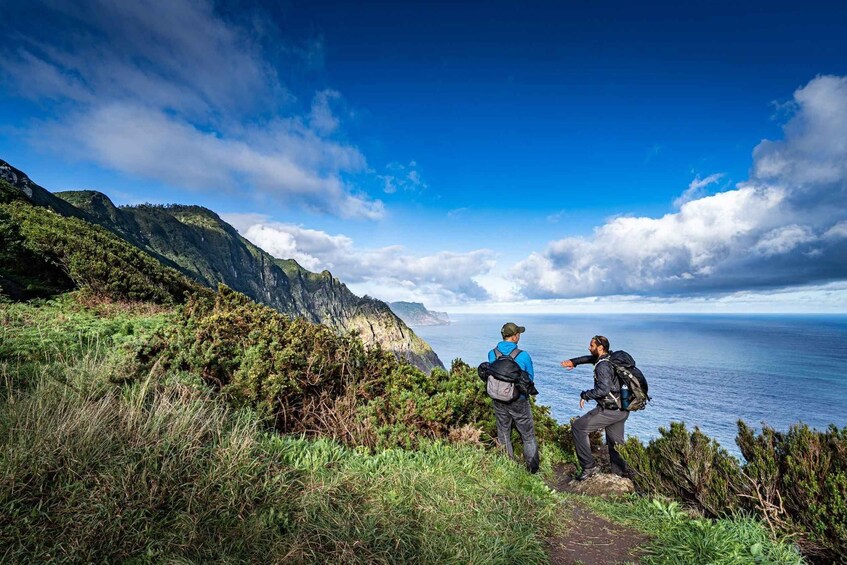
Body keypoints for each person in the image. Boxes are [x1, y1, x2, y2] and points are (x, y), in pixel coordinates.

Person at [560, 335, 631, 480]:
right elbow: (589, 358)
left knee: (579, 427)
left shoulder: (602, 366)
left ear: (600, 348)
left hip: (610, 410)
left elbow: (603, 390)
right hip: (622, 408)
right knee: (615, 443)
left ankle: (589, 467)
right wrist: (574, 362)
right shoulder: (609, 358)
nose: (589, 347)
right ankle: (619, 474)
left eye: (591, 346)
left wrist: (585, 395)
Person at [488, 322, 539, 474]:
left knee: (503, 433)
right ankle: (532, 470)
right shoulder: (523, 355)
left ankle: (507, 466)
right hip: (518, 400)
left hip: (498, 398)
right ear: (515, 336)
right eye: (519, 334)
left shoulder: (492, 354)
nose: (519, 336)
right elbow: (529, 378)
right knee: (528, 436)